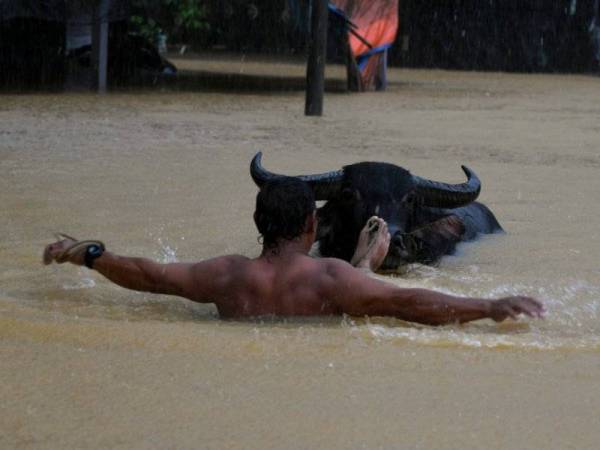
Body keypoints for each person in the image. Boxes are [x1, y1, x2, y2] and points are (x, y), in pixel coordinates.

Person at [43, 177, 544, 325]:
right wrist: (488, 306)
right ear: (312, 224)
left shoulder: (225, 276)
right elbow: (406, 303)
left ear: (258, 224)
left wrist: (87, 253)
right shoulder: (331, 279)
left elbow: (148, 275)